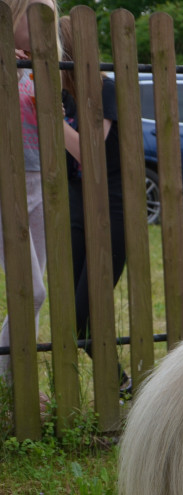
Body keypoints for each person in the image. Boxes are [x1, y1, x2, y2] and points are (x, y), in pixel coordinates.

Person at [58, 15, 131, 395]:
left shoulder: (103, 88)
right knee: (72, 312)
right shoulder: (54, 91)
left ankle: (121, 383)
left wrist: (48, 114)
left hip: (112, 205)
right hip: (73, 202)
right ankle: (120, 383)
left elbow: (89, 151)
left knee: (86, 308)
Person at [0, 0, 61, 394]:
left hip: (37, 178)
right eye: (39, 16)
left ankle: (16, 381)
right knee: (32, 290)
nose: (46, 26)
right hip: (7, 182)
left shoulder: (38, 66)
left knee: (33, 288)